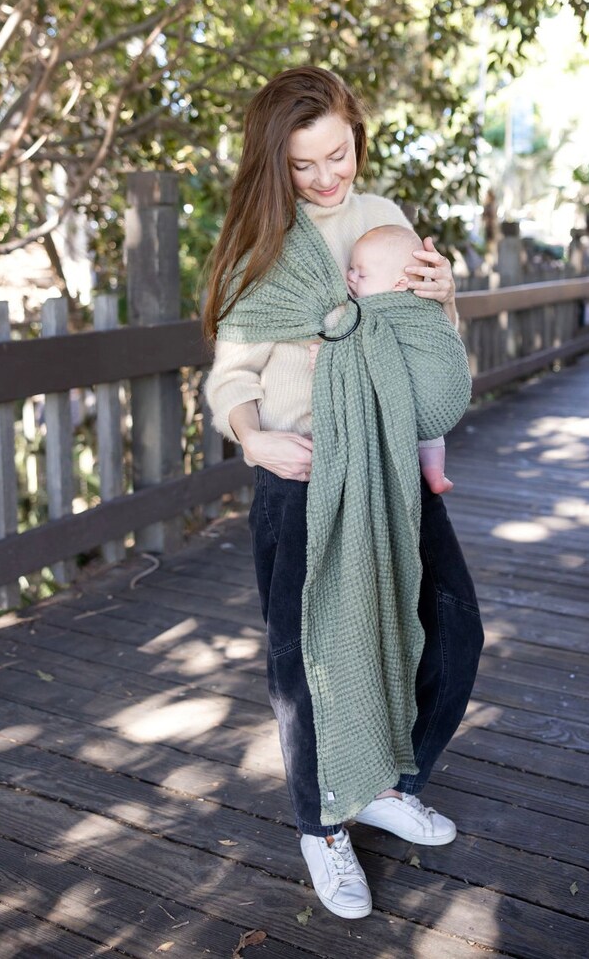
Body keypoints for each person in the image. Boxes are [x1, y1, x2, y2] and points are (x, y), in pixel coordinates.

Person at [203, 66, 484, 921]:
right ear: (273, 164)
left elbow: (422, 329)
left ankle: (389, 784)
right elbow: (232, 375)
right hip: (301, 469)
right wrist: (253, 437)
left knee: (452, 625)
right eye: (304, 165)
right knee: (305, 660)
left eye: (339, 154)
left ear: (358, 136)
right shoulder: (263, 245)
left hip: (389, 457)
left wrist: (446, 295)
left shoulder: (384, 215)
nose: (328, 177)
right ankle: (321, 826)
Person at [307, 222, 455, 493]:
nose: (350, 277)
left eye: (361, 274)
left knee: (419, 415)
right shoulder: (385, 306)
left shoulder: (381, 315)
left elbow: (438, 340)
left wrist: (327, 358)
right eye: (351, 268)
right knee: (428, 436)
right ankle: (435, 473)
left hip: (416, 396)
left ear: (399, 284)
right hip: (401, 406)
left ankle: (435, 474)